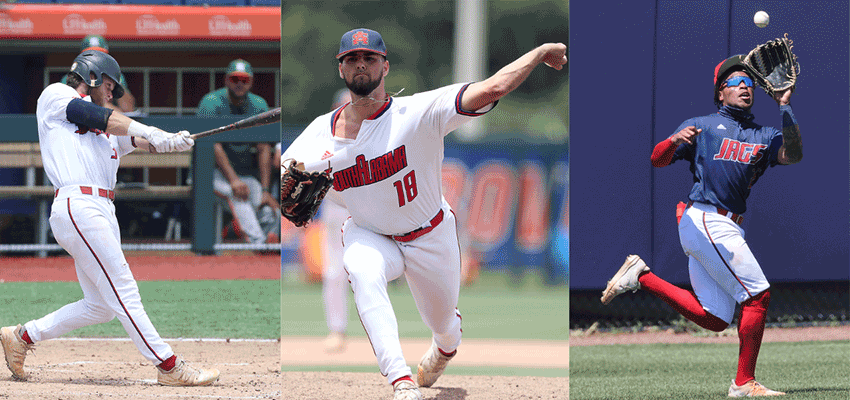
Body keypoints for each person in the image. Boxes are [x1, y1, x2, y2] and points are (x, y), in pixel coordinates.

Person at [281, 28, 567, 400]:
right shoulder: (319, 134)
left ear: (385, 66)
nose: (361, 64)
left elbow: (493, 88)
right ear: (340, 69)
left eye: (369, 57)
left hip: (430, 234)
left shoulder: (417, 112)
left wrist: (539, 51)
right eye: (351, 58)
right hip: (369, 233)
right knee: (363, 272)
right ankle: (400, 381)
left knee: (445, 326)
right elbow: (286, 182)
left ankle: (444, 347)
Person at [0, 50, 219, 386]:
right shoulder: (57, 96)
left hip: (101, 210)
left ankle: (23, 335)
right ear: (91, 76)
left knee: (101, 305)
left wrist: (172, 140)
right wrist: (148, 129)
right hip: (78, 204)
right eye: (110, 87)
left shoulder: (110, 126)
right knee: (124, 289)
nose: (113, 95)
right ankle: (169, 365)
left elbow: (138, 139)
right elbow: (92, 114)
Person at [600, 55, 802, 397]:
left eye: (749, 82)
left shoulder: (764, 135)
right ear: (720, 92)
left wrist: (785, 107)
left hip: (726, 227)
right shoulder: (703, 125)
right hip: (706, 218)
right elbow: (657, 159)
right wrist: (673, 142)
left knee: (715, 318)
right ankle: (743, 383)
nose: (744, 87)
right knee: (757, 295)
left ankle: (641, 276)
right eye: (735, 82)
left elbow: (793, 155)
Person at [197, 59, 280, 246]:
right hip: (208, 174)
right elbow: (213, 145)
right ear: (227, 80)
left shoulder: (258, 104)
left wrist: (266, 190)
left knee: (265, 203)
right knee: (238, 196)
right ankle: (258, 244)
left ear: (250, 81)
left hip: (242, 175)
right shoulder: (211, 103)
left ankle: (270, 243)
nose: (240, 83)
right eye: (235, 79)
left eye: (244, 79)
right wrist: (234, 179)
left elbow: (263, 147)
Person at [320, 88, 353, 353]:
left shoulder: (376, 135)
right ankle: (337, 329)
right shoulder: (324, 140)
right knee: (335, 271)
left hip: (372, 210)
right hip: (337, 209)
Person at [60, 35, 137, 114]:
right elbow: (77, 106)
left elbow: (128, 110)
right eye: (90, 54)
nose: (96, 58)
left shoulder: (115, 75)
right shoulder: (72, 76)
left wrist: (116, 82)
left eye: (100, 54)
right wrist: (108, 107)